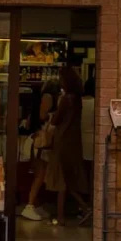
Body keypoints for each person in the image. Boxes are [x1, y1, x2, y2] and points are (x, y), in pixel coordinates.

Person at [45, 67, 89, 225]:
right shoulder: (77, 98)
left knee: (62, 179)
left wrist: (51, 118)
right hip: (74, 140)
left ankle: (64, 215)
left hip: (62, 139)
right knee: (69, 177)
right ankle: (78, 209)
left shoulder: (66, 99)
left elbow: (56, 120)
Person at [20, 78, 60, 222]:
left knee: (40, 174)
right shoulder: (48, 97)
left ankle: (35, 204)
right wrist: (53, 116)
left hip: (36, 139)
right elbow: (42, 116)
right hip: (39, 141)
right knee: (40, 174)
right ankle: (29, 206)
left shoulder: (40, 97)